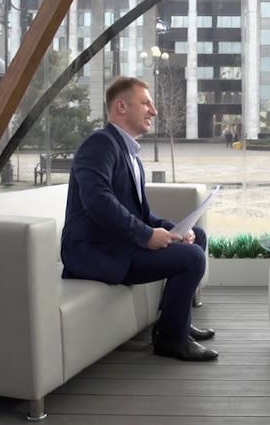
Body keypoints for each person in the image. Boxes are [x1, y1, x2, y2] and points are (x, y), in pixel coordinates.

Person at [61, 76, 217, 361]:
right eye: (146, 103)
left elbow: (141, 213)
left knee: (198, 238)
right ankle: (171, 339)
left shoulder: (128, 152)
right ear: (121, 106)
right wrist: (146, 236)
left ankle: (175, 323)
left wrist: (173, 229)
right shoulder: (99, 144)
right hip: (95, 253)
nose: (154, 111)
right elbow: (98, 201)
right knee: (192, 258)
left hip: (118, 244)